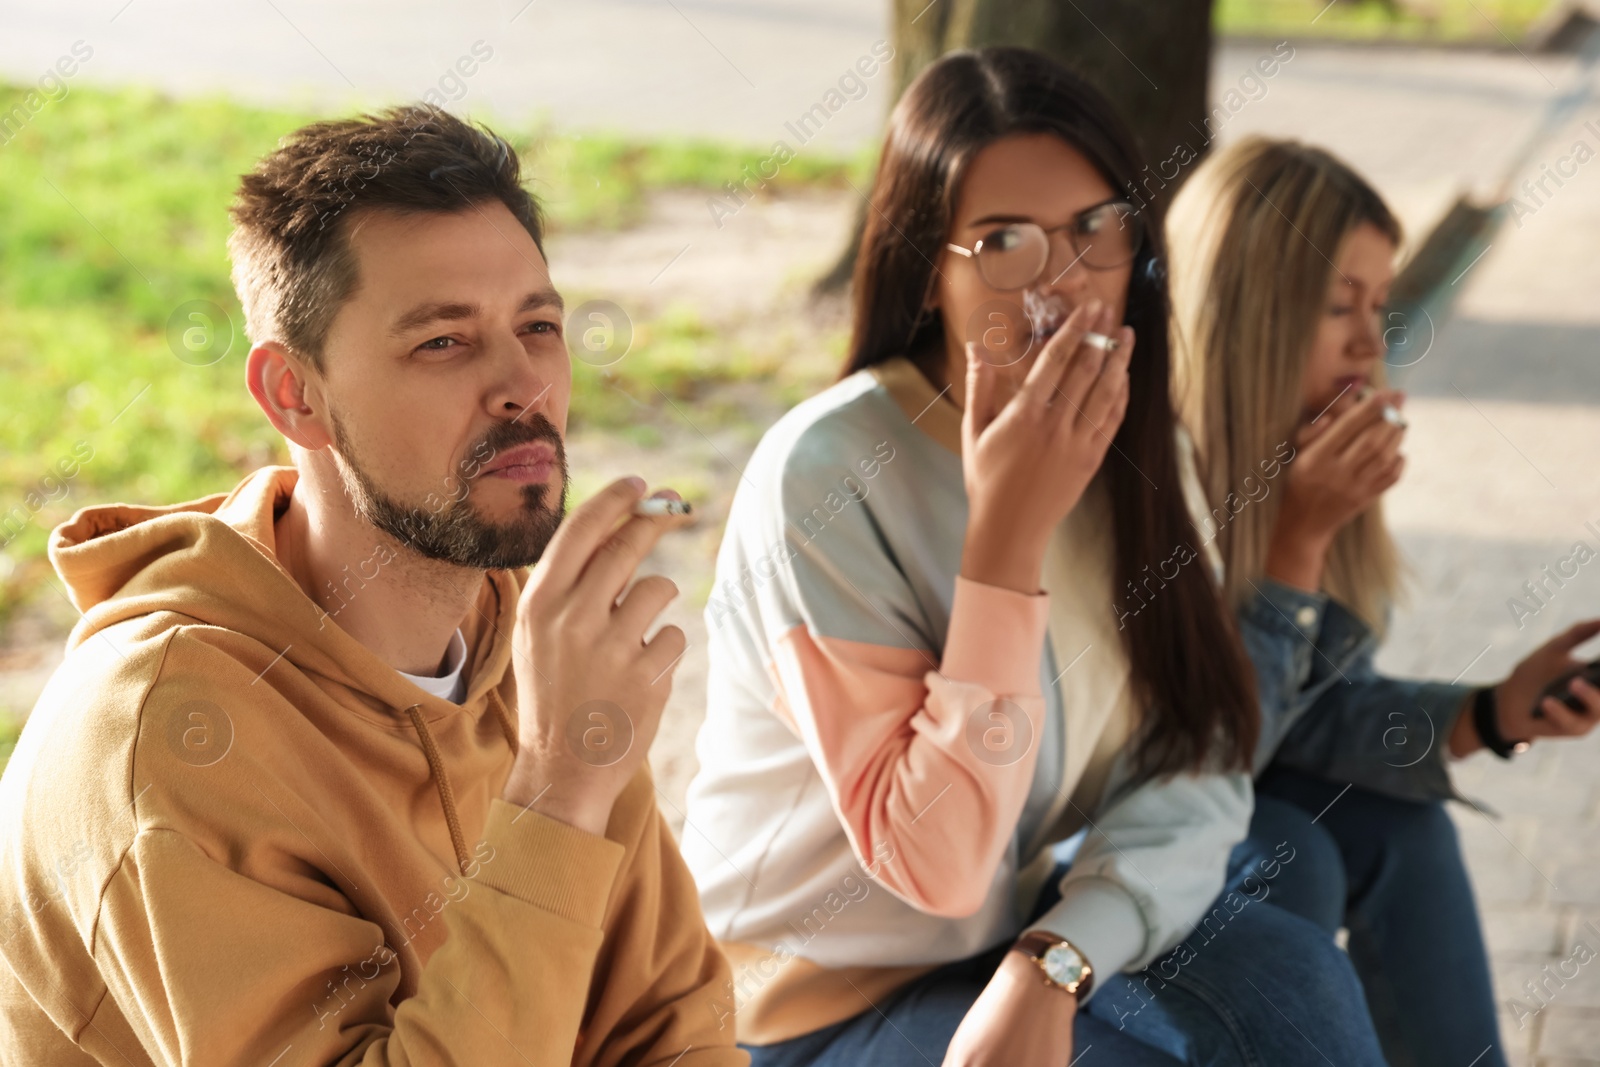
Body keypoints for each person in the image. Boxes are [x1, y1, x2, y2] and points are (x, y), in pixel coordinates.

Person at [681, 48, 1389, 1066]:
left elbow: (1193, 753)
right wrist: (1006, 534)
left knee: (1292, 965)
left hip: (998, 943)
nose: (1064, 279)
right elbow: (937, 864)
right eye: (1002, 240)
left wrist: (1056, 958)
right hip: (796, 1007)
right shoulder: (827, 474)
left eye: (1095, 228)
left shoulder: (1140, 445)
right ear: (927, 264)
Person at [0, 105, 745, 1066]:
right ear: (293, 396)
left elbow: (670, 1029)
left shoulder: (527, 643)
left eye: (540, 324)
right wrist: (559, 790)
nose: (525, 383)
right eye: (443, 341)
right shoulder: (170, 735)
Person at [1167, 134, 1600, 1067]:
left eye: (1382, 304)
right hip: (1101, 852)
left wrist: (1489, 712)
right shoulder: (1147, 488)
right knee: (1290, 848)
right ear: (1247, 319)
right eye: (1338, 307)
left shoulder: (1308, 454)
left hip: (1227, 795)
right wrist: (1295, 546)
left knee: (1401, 821)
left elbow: (1311, 717)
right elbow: (1199, 762)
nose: (1374, 340)